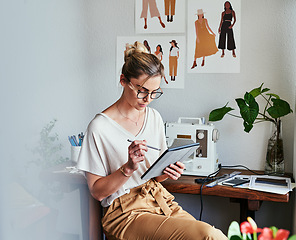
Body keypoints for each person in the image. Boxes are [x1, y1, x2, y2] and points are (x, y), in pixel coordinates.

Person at [77, 41, 228, 240]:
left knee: (217, 237)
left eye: (154, 92)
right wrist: (128, 168)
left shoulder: (154, 117)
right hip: (125, 212)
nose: (148, 98)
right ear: (123, 80)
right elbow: (97, 192)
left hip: (159, 199)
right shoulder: (100, 127)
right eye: (142, 90)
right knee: (207, 236)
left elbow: (154, 177)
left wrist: (167, 172)